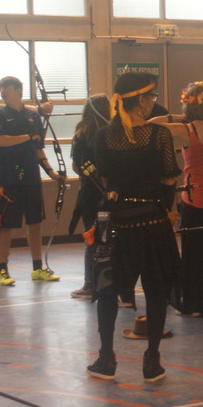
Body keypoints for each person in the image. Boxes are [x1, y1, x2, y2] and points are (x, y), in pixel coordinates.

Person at [86, 71, 180, 382]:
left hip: (117, 223)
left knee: (108, 291)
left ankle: (106, 358)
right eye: (151, 96)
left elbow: (105, 178)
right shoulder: (158, 134)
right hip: (153, 222)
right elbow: (170, 176)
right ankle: (152, 360)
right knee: (156, 291)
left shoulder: (103, 136)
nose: (153, 101)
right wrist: (165, 205)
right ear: (140, 101)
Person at [152, 81, 203, 316]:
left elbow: (151, 124)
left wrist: (177, 117)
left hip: (195, 194)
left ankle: (193, 303)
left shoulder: (186, 129)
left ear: (188, 106)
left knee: (194, 251)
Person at [0, 76, 65, 286]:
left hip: (32, 178)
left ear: (18, 90)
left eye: (6, 87)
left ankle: (38, 269)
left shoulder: (33, 116)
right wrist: (27, 137)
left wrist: (52, 173)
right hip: (9, 178)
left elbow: (38, 148)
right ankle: (2, 270)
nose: (3, 91)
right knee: (5, 226)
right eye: (0, 88)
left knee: (35, 223)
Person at [69, 94, 111, 300]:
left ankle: (89, 284)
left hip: (89, 194)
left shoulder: (81, 132)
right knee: (109, 239)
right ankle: (112, 283)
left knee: (91, 238)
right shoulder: (112, 131)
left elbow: (76, 166)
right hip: (109, 193)